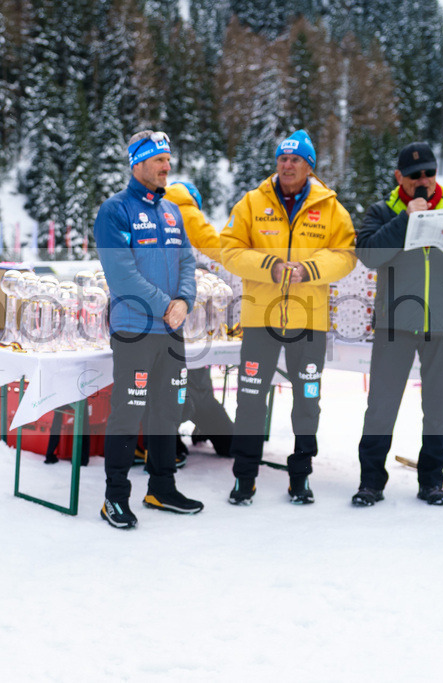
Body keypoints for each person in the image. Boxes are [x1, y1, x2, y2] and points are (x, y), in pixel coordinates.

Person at [353, 142, 443, 507]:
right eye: (414, 175)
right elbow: (367, 254)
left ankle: (432, 482)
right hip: (395, 323)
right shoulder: (384, 211)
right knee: (381, 406)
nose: (423, 180)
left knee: (437, 407)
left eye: (429, 173)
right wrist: (404, 221)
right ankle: (371, 482)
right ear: (399, 176)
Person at [219, 130, 356, 505]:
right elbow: (228, 249)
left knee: (308, 399)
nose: (287, 165)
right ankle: (244, 477)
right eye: (282, 158)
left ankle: (301, 476)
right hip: (260, 318)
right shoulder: (252, 203)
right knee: (250, 398)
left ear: (309, 166)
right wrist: (270, 266)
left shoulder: (331, 208)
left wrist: (308, 270)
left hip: (309, 320)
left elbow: (346, 254)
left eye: (295, 159)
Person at [93, 130, 201, 529]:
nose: (166, 166)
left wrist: (185, 301)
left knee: (167, 411)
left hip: (172, 330)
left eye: (168, 159)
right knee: (129, 412)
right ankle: (115, 497)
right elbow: (121, 275)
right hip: (135, 328)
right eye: (158, 159)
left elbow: (187, 262)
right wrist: (165, 306)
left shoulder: (172, 211)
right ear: (137, 163)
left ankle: (162, 487)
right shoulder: (115, 211)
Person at [163, 180, 235, 456]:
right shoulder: (190, 214)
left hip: (160, 314)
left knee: (167, 383)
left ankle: (170, 443)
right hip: (191, 319)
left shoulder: (156, 211)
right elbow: (216, 252)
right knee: (197, 384)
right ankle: (227, 440)